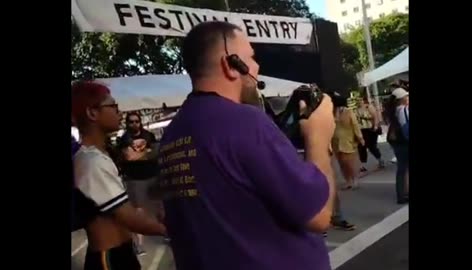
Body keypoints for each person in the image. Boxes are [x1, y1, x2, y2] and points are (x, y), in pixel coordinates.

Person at [155, 21, 336, 270]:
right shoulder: (244, 122)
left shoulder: (171, 135)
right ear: (230, 65)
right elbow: (318, 215)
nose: (257, 66)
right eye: (251, 57)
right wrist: (319, 136)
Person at [72, 81, 167, 270]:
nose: (119, 111)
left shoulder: (99, 155)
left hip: (120, 252)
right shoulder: (91, 161)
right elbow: (128, 217)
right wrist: (172, 228)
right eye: (112, 105)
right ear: (92, 113)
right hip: (110, 258)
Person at [117, 112, 161, 255]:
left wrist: (140, 155)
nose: (134, 124)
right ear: (127, 123)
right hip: (134, 179)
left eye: (137, 121)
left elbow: (155, 153)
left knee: (160, 207)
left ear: (140, 122)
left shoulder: (149, 135)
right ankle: (138, 244)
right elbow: (129, 157)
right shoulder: (124, 138)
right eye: (131, 121)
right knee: (138, 211)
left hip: (152, 176)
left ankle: (167, 233)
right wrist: (147, 153)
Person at [332, 96, 364, 190]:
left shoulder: (348, 112)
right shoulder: (331, 112)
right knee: (341, 162)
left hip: (348, 140)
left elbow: (355, 125)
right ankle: (348, 181)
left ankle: (354, 179)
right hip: (335, 141)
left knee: (349, 162)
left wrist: (360, 137)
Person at [386, 88, 409, 204]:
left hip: (397, 141)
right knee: (403, 168)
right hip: (404, 142)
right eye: (406, 96)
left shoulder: (393, 110)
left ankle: (402, 193)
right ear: (402, 99)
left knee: (402, 168)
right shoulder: (403, 110)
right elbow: (406, 127)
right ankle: (403, 193)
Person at [356, 96, 385, 172]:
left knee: (371, 146)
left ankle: (380, 159)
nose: (359, 102)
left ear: (364, 100)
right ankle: (362, 165)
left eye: (360, 100)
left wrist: (375, 126)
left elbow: (375, 116)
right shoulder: (356, 110)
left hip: (370, 129)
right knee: (362, 147)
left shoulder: (369, 107)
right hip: (362, 129)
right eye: (358, 100)